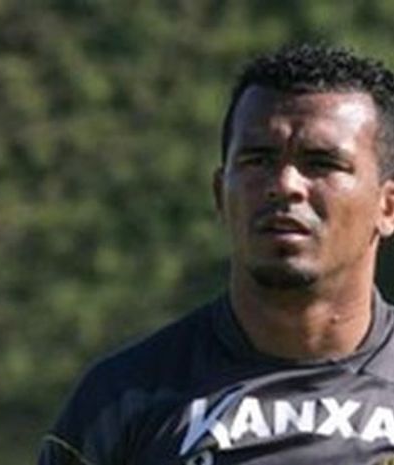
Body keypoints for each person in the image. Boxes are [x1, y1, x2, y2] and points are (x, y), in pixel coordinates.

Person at [37, 43, 394, 465]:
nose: (285, 185)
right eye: (258, 160)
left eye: (321, 163)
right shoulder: (120, 398)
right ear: (220, 195)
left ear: (387, 207)